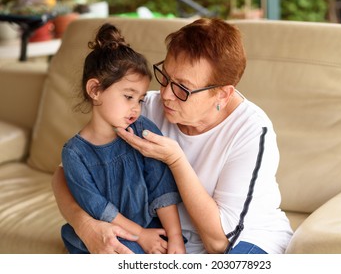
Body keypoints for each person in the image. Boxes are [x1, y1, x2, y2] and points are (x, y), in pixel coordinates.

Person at [52, 18, 293, 254]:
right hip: (167, 239)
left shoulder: (250, 131)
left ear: (222, 94)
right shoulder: (141, 109)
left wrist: (176, 161)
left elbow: (219, 244)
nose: (165, 94)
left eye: (182, 88)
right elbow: (64, 174)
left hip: (246, 239)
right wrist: (86, 227)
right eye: (165, 76)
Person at [59, 23, 185, 254]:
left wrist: (175, 237)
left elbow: (161, 188)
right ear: (95, 90)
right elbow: (98, 208)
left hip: (152, 227)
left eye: (140, 100)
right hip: (112, 232)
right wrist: (140, 236)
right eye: (128, 96)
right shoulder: (74, 154)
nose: (135, 108)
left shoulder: (143, 130)